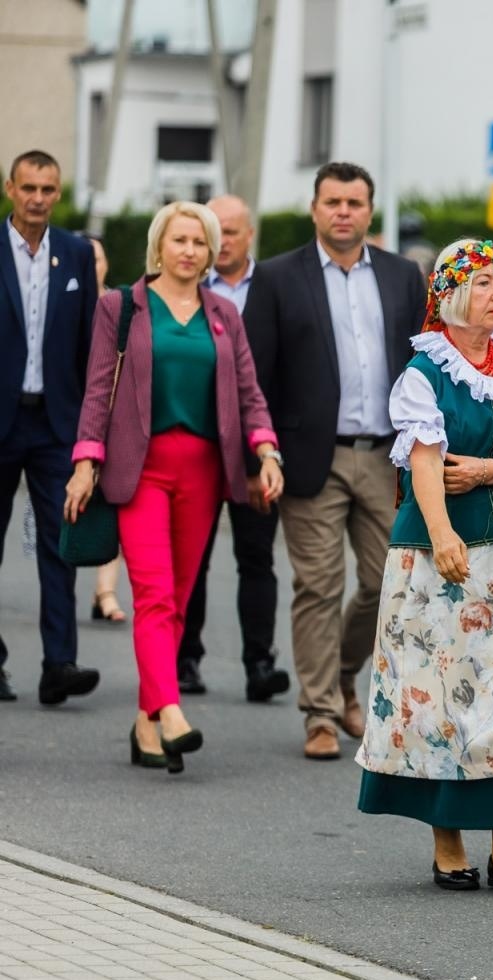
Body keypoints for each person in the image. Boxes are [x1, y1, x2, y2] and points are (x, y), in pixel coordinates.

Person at [355, 239, 493, 893]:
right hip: (439, 556)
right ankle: (447, 841)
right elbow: (425, 460)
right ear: (450, 296)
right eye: (482, 282)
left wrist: (491, 470)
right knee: (442, 692)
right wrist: (443, 535)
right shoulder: (426, 372)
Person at [65, 202, 283, 774]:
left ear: (211, 252)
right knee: (155, 595)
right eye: (179, 239)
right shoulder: (122, 307)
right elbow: (97, 390)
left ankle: (145, 724)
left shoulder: (224, 314)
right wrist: (85, 462)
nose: (189, 250)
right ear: (158, 245)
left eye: (199, 242)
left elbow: (249, 391)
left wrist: (266, 450)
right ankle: (170, 711)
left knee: (179, 600)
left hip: (204, 471)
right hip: (141, 468)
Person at [243, 162, 427, 759]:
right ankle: (320, 713)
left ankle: (345, 671)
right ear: (314, 209)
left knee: (386, 582)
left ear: (369, 210)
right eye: (332, 202)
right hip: (309, 458)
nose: (343, 212)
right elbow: (253, 374)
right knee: (319, 586)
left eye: (354, 202)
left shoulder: (402, 276)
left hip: (387, 457)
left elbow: (424, 364)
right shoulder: (276, 277)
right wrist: (258, 455)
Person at [177, 194, 289, 703]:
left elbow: (280, 377)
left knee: (256, 558)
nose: (222, 243)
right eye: (213, 232)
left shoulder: (276, 288)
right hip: (197, 451)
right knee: (191, 558)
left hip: (258, 452)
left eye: (232, 232)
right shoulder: (183, 288)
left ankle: (259, 663)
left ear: (250, 235)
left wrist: (264, 458)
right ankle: (185, 660)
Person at [0, 149, 101, 704]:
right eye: (28, 188)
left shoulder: (76, 253)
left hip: (56, 423)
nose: (37, 198)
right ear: (10, 189)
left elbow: (89, 344)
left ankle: (59, 664)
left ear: (58, 193)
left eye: (47, 189)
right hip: (2, 417)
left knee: (60, 543)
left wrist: (89, 430)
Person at [83, 234, 127, 626]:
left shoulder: (121, 306)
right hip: (67, 416)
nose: (91, 265)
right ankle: (58, 580)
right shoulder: (65, 301)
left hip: (112, 416)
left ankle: (105, 591)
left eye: (97, 258)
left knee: (112, 503)